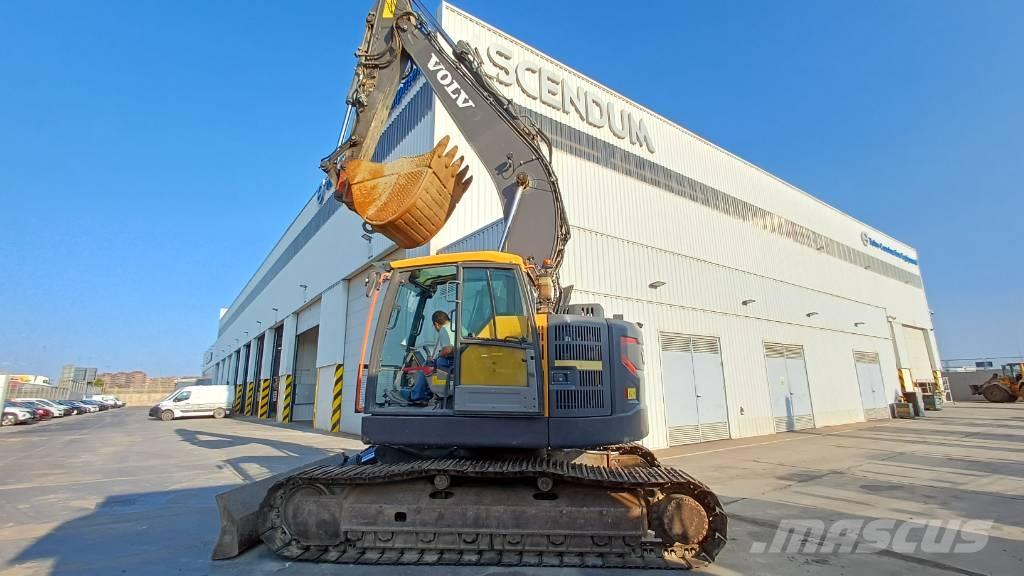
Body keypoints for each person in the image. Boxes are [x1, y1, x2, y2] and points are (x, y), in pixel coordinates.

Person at [405, 311, 454, 405]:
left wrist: (438, 355)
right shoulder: (456, 326)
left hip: (450, 362)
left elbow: (447, 350)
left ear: (436, 324)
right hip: (457, 360)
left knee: (427, 366)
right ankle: (426, 394)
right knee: (432, 364)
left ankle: (417, 396)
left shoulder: (443, 329)